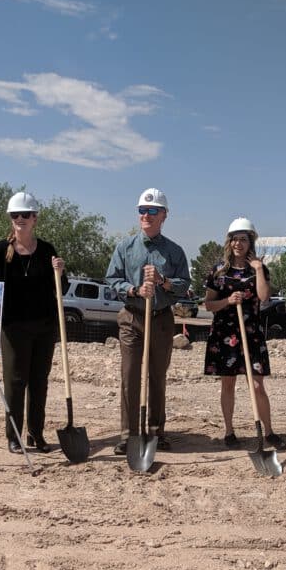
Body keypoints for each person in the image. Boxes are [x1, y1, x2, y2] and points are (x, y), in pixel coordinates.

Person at [0, 191, 67, 454]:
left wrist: (60, 272)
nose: (20, 219)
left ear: (35, 219)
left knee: (40, 382)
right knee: (16, 382)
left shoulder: (47, 250)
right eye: (15, 215)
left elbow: (60, 288)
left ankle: (36, 435)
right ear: (11, 219)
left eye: (25, 215)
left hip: (44, 327)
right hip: (13, 328)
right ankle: (14, 436)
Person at [105, 188, 191, 455]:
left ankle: (156, 431)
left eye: (153, 211)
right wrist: (134, 290)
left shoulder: (174, 252)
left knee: (157, 375)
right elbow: (111, 280)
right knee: (130, 374)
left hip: (161, 319)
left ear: (164, 215)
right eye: (142, 210)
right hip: (132, 317)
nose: (147, 215)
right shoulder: (125, 248)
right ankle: (128, 433)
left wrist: (164, 281)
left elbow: (185, 284)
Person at [202, 218, 286, 451]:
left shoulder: (258, 268)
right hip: (225, 333)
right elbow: (208, 305)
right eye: (234, 239)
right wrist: (227, 301)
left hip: (252, 334)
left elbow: (263, 297)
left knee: (258, 386)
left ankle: (268, 431)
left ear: (251, 242)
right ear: (229, 242)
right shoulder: (218, 271)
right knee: (227, 384)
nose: (238, 243)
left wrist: (259, 269)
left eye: (243, 239)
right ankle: (229, 431)